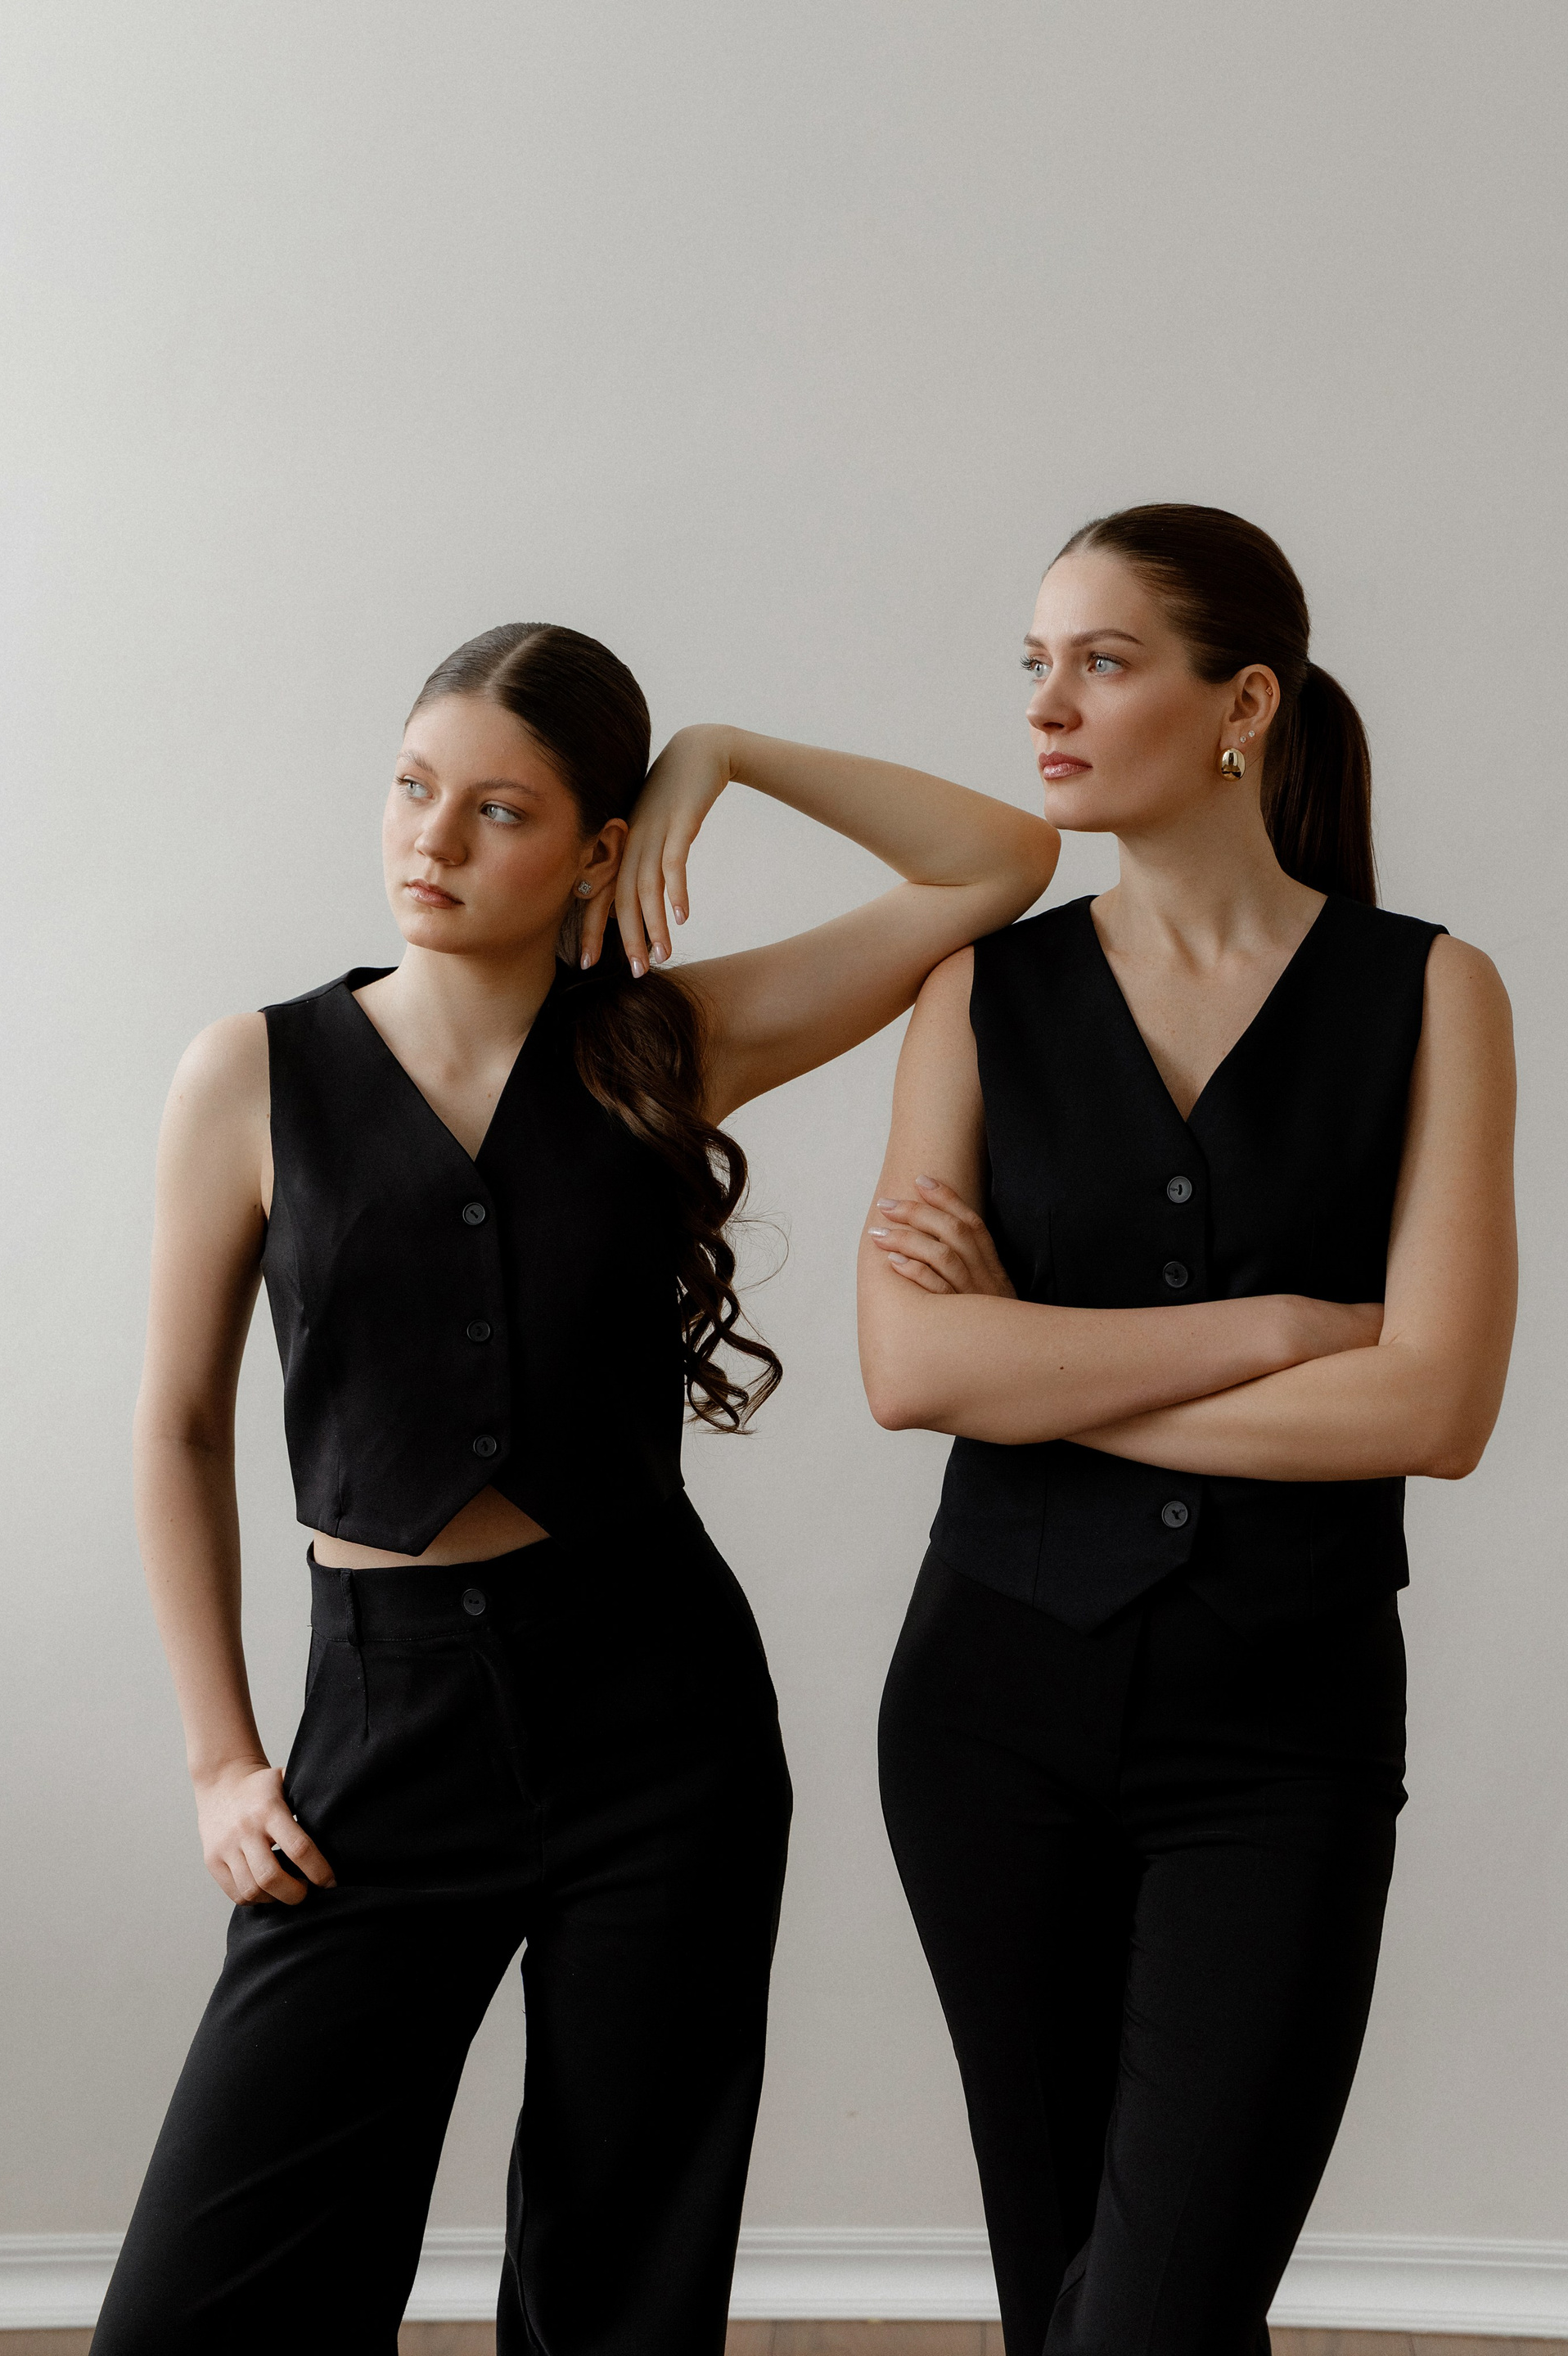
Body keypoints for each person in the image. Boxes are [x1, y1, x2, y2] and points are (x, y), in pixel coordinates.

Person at [94, 621, 1057, 2356]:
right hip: (382, 1722)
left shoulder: (667, 1041)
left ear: (599, 850)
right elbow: (174, 1427)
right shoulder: (253, 1073)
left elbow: (997, 862)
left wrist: (725, 755)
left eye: (500, 811)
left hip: (658, 1721)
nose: (431, 840)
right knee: (197, 2309)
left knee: (622, 2283)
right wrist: (222, 1759)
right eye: (413, 788)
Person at [858, 507, 1516, 2356]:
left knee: (1152, 2316)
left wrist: (1047, 1373)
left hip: (1284, 1735)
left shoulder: (1432, 992)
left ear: (1246, 704)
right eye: (1034, 665)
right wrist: (1279, 1337)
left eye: (1103, 661)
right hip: (987, 1719)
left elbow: (1436, 1406)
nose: (1046, 707)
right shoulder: (978, 991)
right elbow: (912, 1372)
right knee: (1064, 2293)